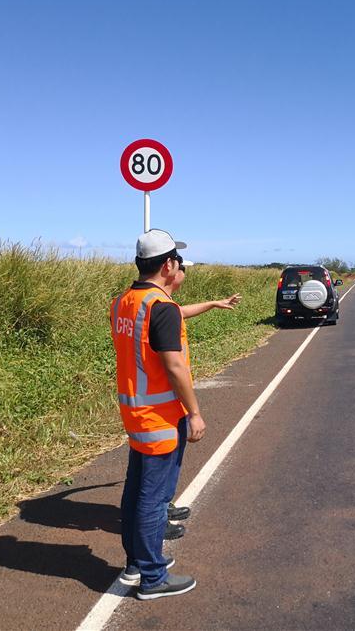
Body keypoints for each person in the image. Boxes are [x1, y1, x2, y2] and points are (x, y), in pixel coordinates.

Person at [109, 228, 239, 600]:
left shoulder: (127, 302)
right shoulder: (159, 308)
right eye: (178, 261)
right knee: (152, 499)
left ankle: (136, 564)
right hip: (161, 416)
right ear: (168, 265)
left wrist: (212, 304)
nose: (179, 266)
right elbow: (174, 365)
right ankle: (152, 577)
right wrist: (194, 412)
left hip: (135, 412)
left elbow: (171, 317)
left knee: (135, 493)